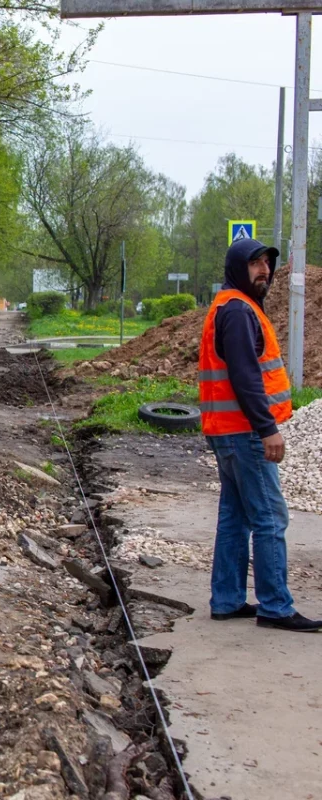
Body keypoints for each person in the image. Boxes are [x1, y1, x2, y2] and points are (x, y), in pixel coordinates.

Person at [198, 238, 321, 632]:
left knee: (236, 517)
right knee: (269, 517)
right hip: (246, 431)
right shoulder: (237, 311)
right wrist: (267, 429)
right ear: (237, 268)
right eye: (255, 263)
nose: (264, 269)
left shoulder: (232, 307)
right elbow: (245, 376)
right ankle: (276, 606)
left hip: (228, 431)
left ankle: (228, 600)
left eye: (267, 263)